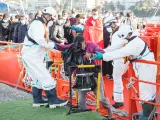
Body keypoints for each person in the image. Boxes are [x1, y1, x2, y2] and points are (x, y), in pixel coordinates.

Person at [93, 24, 157, 119]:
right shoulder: (131, 39)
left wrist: (103, 57)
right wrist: (103, 51)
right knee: (148, 88)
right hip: (145, 65)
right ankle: (149, 111)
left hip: (147, 67)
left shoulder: (134, 44)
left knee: (146, 90)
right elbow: (116, 47)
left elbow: (120, 52)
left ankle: (147, 114)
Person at [21, 7, 68, 108]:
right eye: (52, 19)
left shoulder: (41, 24)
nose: (52, 21)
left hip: (33, 55)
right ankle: (53, 100)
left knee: (37, 78)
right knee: (46, 77)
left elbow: (44, 41)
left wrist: (56, 47)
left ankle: (37, 100)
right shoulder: (38, 24)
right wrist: (54, 46)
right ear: (48, 16)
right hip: (31, 56)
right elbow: (40, 40)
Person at [104, 17, 128, 108]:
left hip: (120, 59)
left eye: (109, 25)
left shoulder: (117, 34)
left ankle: (119, 100)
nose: (108, 27)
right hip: (120, 58)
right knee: (117, 77)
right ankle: (117, 94)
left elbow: (115, 47)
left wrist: (104, 52)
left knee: (117, 78)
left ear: (113, 24)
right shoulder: (117, 32)